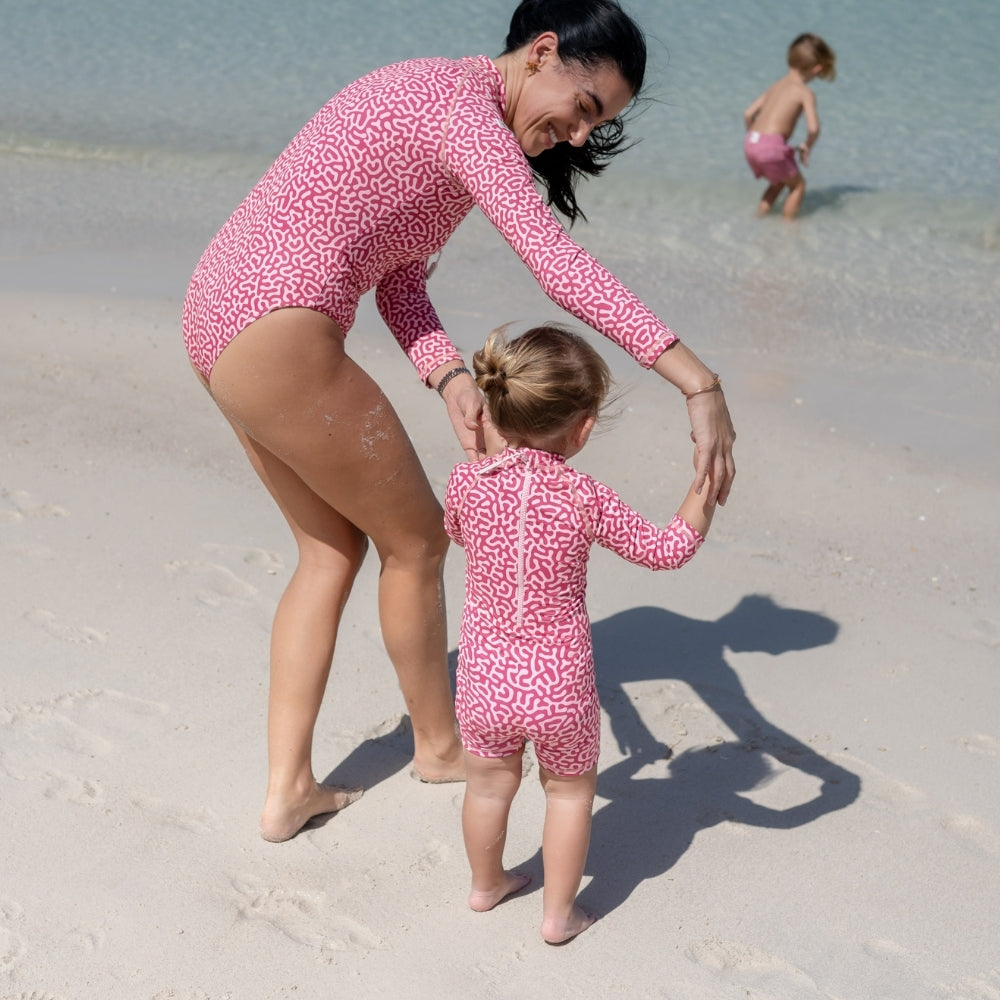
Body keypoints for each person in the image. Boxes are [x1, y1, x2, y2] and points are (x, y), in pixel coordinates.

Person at [181, 0, 736, 844]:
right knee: (416, 543)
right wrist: (696, 381)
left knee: (330, 549)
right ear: (542, 52)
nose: (580, 136)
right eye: (583, 109)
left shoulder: (444, 103)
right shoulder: (465, 114)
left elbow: (397, 278)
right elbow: (555, 264)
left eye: (598, 126)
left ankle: (289, 789)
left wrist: (447, 376)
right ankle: (440, 750)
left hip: (223, 313)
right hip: (277, 322)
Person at [444, 324, 716, 943]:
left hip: (485, 679)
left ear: (494, 406)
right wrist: (708, 482)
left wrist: (488, 462)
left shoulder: (465, 482)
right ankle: (559, 915)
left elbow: (456, 531)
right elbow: (666, 550)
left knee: (488, 785)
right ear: (583, 428)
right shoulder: (582, 495)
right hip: (560, 687)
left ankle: (486, 885)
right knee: (568, 796)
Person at [742, 33, 836, 219]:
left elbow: (748, 114)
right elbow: (814, 129)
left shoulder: (776, 86)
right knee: (798, 186)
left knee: (778, 182)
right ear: (817, 68)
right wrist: (807, 145)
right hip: (771, 147)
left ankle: (758, 218)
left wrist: (757, 141)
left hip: (751, 143)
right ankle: (788, 230)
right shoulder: (805, 92)